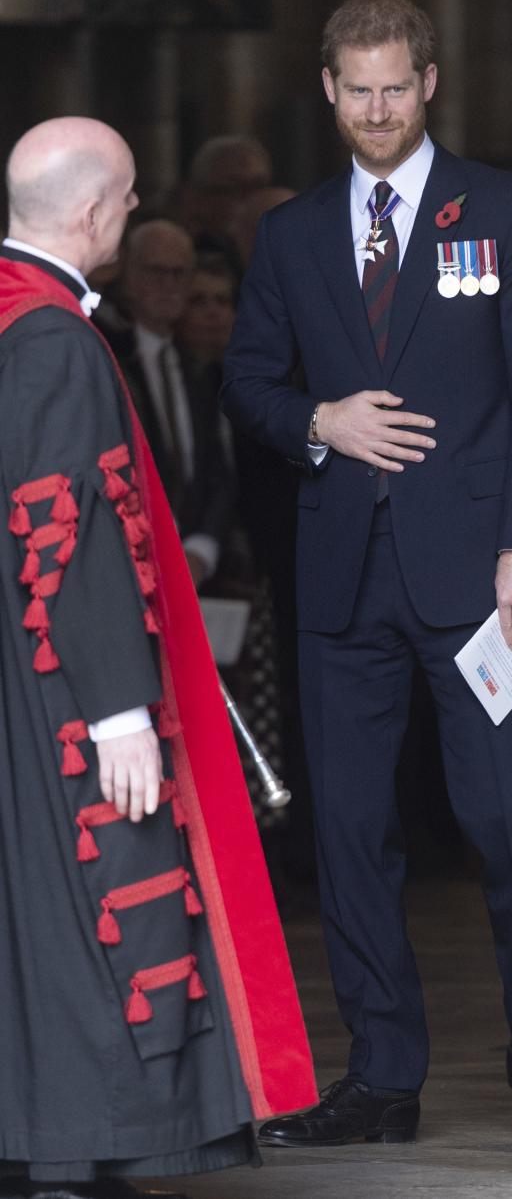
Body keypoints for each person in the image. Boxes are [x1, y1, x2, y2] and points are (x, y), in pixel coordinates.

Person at [221, 0, 512, 1146]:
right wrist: (319, 418)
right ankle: (382, 1076)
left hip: (480, 576)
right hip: (342, 574)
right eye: (358, 90)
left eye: (397, 87)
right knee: (349, 830)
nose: (378, 109)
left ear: (431, 83)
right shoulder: (291, 233)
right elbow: (246, 379)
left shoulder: (504, 208)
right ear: (331, 93)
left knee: (505, 815)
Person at [0, 117, 315, 1199]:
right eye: (131, 202)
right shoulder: (48, 339)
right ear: (92, 212)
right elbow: (69, 528)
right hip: (58, 693)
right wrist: (121, 709)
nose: (134, 218)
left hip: (24, 678)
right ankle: (78, 1146)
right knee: (91, 903)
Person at [97, 220, 233, 589]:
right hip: (122, 561)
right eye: (157, 272)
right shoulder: (104, 357)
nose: (170, 286)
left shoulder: (200, 370)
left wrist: (201, 549)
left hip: (192, 570)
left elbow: (218, 469)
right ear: (126, 272)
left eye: (180, 273)